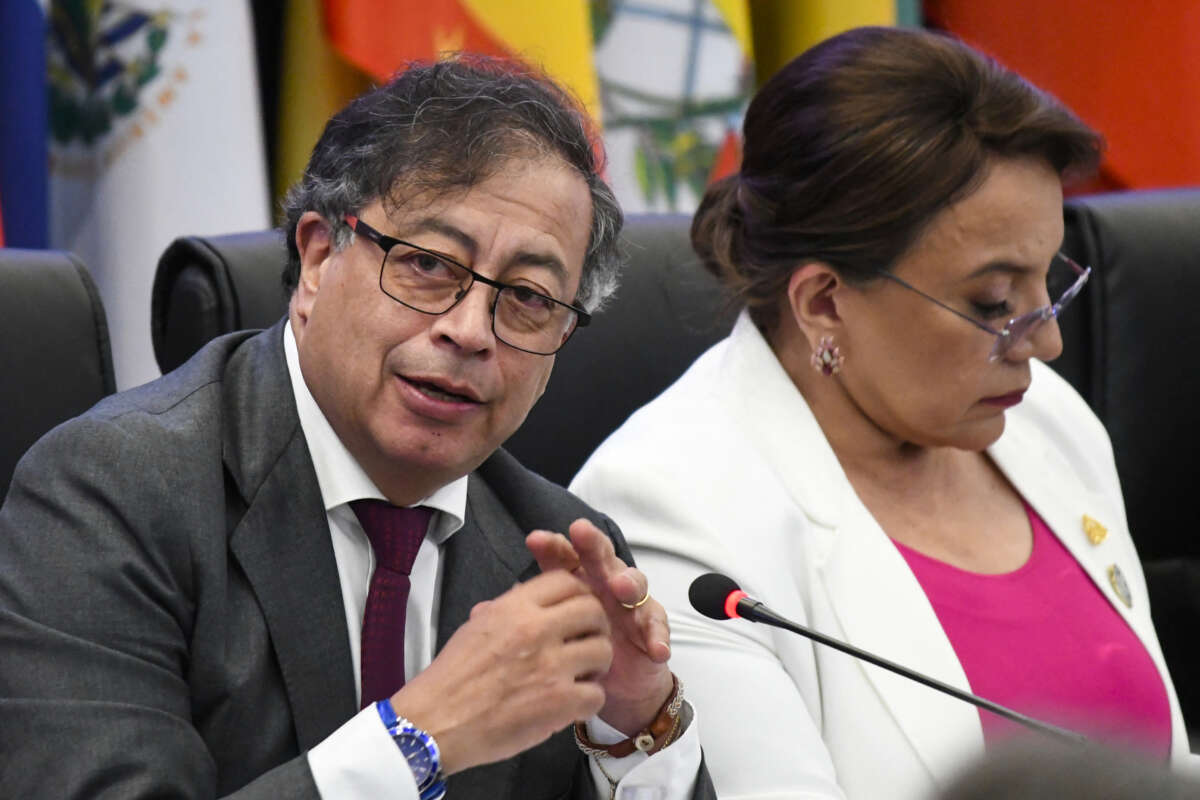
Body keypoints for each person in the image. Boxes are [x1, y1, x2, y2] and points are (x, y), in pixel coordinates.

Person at [0, 56, 713, 799]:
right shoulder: (112, 494)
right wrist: (418, 738)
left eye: (529, 297)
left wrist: (634, 729)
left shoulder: (559, 551)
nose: (470, 331)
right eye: (429, 265)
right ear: (315, 259)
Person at [571, 26, 1193, 799]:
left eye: (1051, 282)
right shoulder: (670, 511)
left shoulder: (1045, 422)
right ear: (824, 302)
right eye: (997, 302)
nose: (1050, 343)